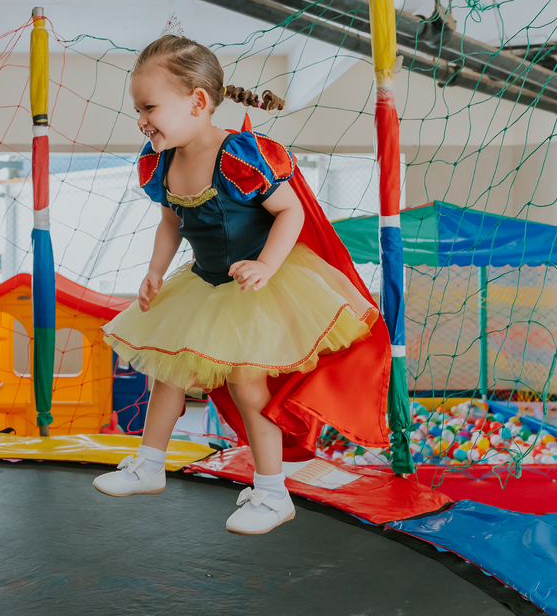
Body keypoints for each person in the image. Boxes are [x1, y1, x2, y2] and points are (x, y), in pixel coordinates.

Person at [93, 34, 381, 535]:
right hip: (203, 284)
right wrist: (155, 271)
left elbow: (290, 211)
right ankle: (149, 465)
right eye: (137, 108)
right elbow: (171, 224)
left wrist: (267, 265)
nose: (141, 119)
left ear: (197, 102)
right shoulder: (162, 160)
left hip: (256, 287)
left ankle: (272, 493)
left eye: (149, 107)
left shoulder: (240, 155)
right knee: (169, 373)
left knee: (250, 388)